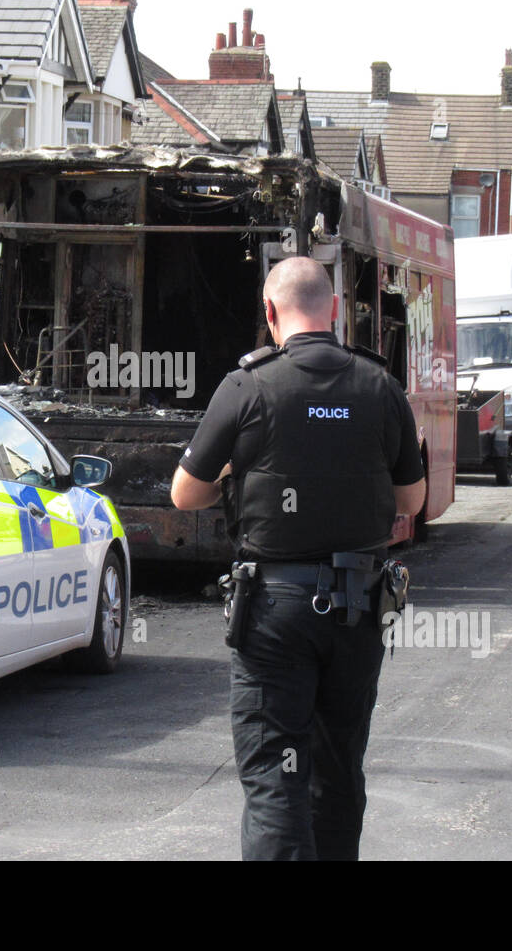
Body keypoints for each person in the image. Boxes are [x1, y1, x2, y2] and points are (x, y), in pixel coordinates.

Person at [170, 256, 425, 861]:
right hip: (359, 607)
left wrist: (237, 467)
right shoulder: (379, 387)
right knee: (338, 771)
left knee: (273, 778)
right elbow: (412, 501)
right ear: (335, 310)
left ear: (269, 313)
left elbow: (185, 493)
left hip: (275, 612)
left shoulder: (247, 386)